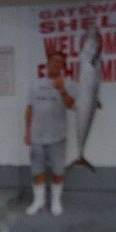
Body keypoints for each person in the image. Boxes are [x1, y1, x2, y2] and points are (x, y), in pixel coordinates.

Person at [24, 49, 76, 215]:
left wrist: (62, 90)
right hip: (37, 136)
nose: (55, 65)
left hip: (57, 137)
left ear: (63, 66)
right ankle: (38, 201)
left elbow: (71, 106)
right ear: (47, 64)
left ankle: (56, 202)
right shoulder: (35, 84)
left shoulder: (69, 84)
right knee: (37, 170)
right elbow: (30, 108)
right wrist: (27, 131)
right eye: (52, 62)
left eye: (59, 63)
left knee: (58, 171)